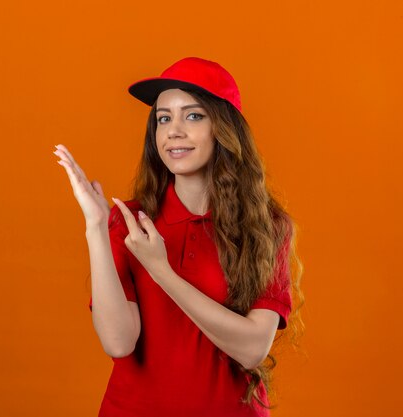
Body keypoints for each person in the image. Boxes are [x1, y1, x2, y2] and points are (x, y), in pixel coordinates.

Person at [54, 57, 304, 416]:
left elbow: (252, 349)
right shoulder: (128, 223)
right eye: (164, 118)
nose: (173, 131)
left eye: (193, 115)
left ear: (224, 129)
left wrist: (162, 272)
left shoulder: (267, 226)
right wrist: (96, 225)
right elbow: (118, 342)